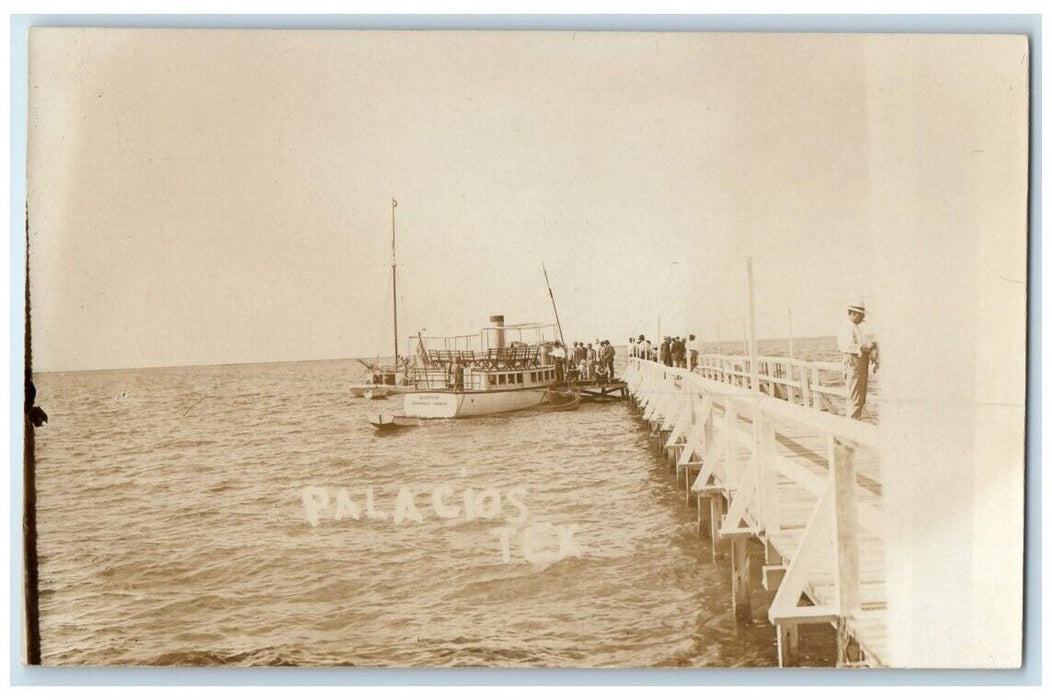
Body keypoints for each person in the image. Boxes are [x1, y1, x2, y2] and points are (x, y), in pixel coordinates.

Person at [837, 302, 877, 420]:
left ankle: (855, 423)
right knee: (855, 397)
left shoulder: (855, 327)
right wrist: (869, 348)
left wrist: (872, 346)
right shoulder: (847, 327)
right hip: (854, 362)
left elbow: (864, 343)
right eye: (861, 314)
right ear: (853, 313)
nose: (863, 317)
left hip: (860, 362)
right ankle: (851, 428)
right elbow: (850, 346)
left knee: (859, 398)